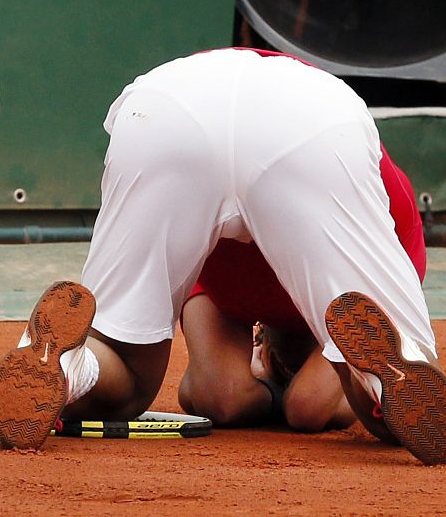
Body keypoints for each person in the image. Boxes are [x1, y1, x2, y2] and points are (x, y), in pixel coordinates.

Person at [0, 48, 446, 465]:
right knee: (386, 372)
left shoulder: (224, 289)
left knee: (123, 357)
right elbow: (308, 408)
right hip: (311, 122)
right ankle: (383, 378)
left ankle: (66, 366)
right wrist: (291, 386)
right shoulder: (384, 222)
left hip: (171, 107)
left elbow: (218, 395)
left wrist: (260, 386)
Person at [178, 142, 427, 438]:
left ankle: (386, 371)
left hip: (355, 242)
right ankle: (366, 381)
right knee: (223, 400)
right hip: (228, 236)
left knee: (306, 407)